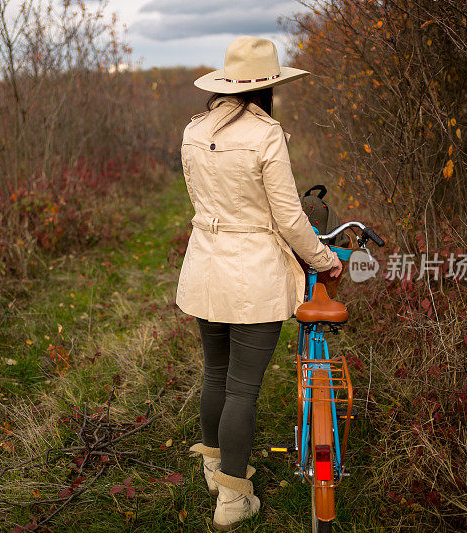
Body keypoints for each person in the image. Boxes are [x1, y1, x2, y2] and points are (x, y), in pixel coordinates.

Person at [176, 35, 343, 531]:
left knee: (215, 374)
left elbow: (203, 203)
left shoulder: (194, 130)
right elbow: (290, 219)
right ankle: (232, 497)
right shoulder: (266, 134)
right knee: (242, 390)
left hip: (206, 265)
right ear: (267, 88)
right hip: (253, 272)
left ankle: (212, 466)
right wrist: (325, 259)